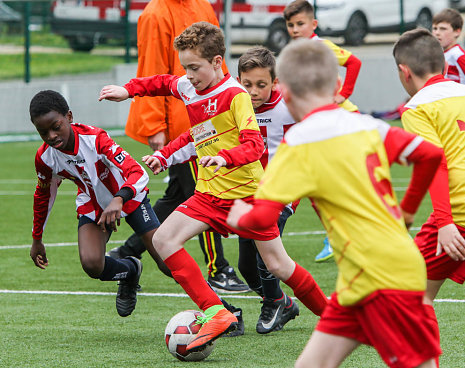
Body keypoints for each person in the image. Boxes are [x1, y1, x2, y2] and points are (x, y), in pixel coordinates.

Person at [99, 22, 328, 352]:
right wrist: (129, 90)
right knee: (163, 239)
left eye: (195, 68)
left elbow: (254, 146)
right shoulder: (189, 86)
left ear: (217, 62)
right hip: (208, 195)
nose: (189, 75)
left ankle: (335, 318)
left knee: (278, 265)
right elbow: (163, 84)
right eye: (186, 67)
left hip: (248, 197)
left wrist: (225, 158)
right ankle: (216, 311)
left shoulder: (235, 96)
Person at [227, 39, 443, 368]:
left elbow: (263, 218)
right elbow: (430, 155)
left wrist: (240, 217)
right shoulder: (366, 123)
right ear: (338, 85)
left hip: (381, 275)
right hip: (361, 278)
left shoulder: (297, 141)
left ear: (283, 92)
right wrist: (408, 211)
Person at [106, 0, 249, 294]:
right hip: (183, 130)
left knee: (178, 195)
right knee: (204, 192)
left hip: (209, 129)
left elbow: (214, 56)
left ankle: (127, 251)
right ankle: (218, 268)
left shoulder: (202, 6)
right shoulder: (155, 13)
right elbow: (155, 69)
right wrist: (154, 125)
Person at [29, 90, 170, 319]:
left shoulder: (95, 139)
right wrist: (37, 239)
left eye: (56, 126)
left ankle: (221, 309)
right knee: (92, 264)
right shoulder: (45, 158)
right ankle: (130, 271)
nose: (52, 135)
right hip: (93, 205)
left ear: (69, 117)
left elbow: (137, 172)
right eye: (43, 132)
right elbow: (43, 196)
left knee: (168, 263)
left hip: (129, 197)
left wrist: (119, 198)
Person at [394, 27, 465, 364]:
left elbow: (437, 165)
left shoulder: (416, 107)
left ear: (405, 71)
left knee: (411, 294)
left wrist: (444, 221)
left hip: (461, 214)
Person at [283, 0, 362, 262]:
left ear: (313, 24)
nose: (295, 29)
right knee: (317, 182)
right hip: (321, 123)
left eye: (300, 24)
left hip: (343, 119)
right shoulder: (296, 51)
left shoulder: (320, 47)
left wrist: (344, 95)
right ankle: (335, 234)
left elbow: (354, 62)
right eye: (291, 25)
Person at [235, 45, 299, 334]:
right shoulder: (237, 105)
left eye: (261, 85)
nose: (253, 91)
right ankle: (281, 301)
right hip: (248, 192)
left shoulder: (289, 105)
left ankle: (273, 303)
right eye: (246, 84)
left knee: (266, 257)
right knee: (246, 266)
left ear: (275, 82)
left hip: (281, 192)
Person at [432, 8, 465, 93]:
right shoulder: (441, 55)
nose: (437, 33)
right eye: (435, 28)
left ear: (457, 32)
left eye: (443, 29)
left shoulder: (458, 56)